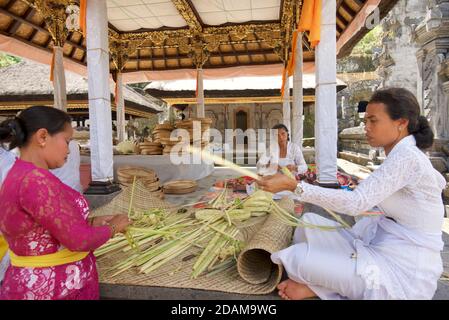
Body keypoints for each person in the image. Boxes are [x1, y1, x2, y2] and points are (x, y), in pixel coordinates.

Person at [257, 88, 446, 300]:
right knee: (307, 223)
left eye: (373, 121)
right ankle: (325, 282)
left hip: (403, 269)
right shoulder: (400, 154)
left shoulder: (407, 158)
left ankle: (318, 287)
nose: (366, 127)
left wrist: (294, 187)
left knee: (296, 258)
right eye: (366, 121)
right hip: (378, 245)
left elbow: (356, 203)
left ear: (400, 123)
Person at [0, 106, 131, 300]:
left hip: (41, 283)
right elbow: (79, 241)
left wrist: (91, 222)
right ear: (43, 136)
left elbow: (44, 226)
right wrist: (114, 227)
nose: (69, 150)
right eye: (67, 141)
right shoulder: (35, 180)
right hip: (50, 288)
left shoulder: (22, 174)